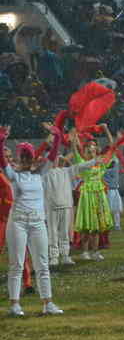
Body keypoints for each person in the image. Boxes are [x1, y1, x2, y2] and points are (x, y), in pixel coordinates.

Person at [1, 123, 75, 316]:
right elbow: (2, 162)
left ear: (32, 157)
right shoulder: (14, 175)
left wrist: (57, 136)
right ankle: (15, 304)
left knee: (42, 264)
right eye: (22, 155)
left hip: (37, 222)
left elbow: (52, 156)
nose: (25, 158)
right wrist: (1, 140)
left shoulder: (40, 174)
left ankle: (47, 303)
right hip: (18, 222)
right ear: (19, 158)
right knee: (16, 264)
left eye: (28, 155)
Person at [72, 127, 116, 261]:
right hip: (87, 196)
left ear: (97, 150)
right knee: (87, 226)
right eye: (88, 149)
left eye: (93, 148)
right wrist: (74, 136)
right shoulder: (82, 163)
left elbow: (112, 146)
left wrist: (106, 129)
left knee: (96, 226)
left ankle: (95, 251)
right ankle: (85, 251)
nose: (91, 151)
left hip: (99, 196)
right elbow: (74, 149)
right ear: (84, 151)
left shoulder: (101, 163)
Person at [42, 151, 77, 267]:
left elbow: (78, 166)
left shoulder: (65, 172)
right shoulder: (45, 173)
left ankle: (65, 255)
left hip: (65, 206)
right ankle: (54, 256)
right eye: (55, 159)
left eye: (58, 159)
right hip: (52, 208)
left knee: (64, 233)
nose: (57, 160)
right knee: (52, 233)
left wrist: (94, 161)